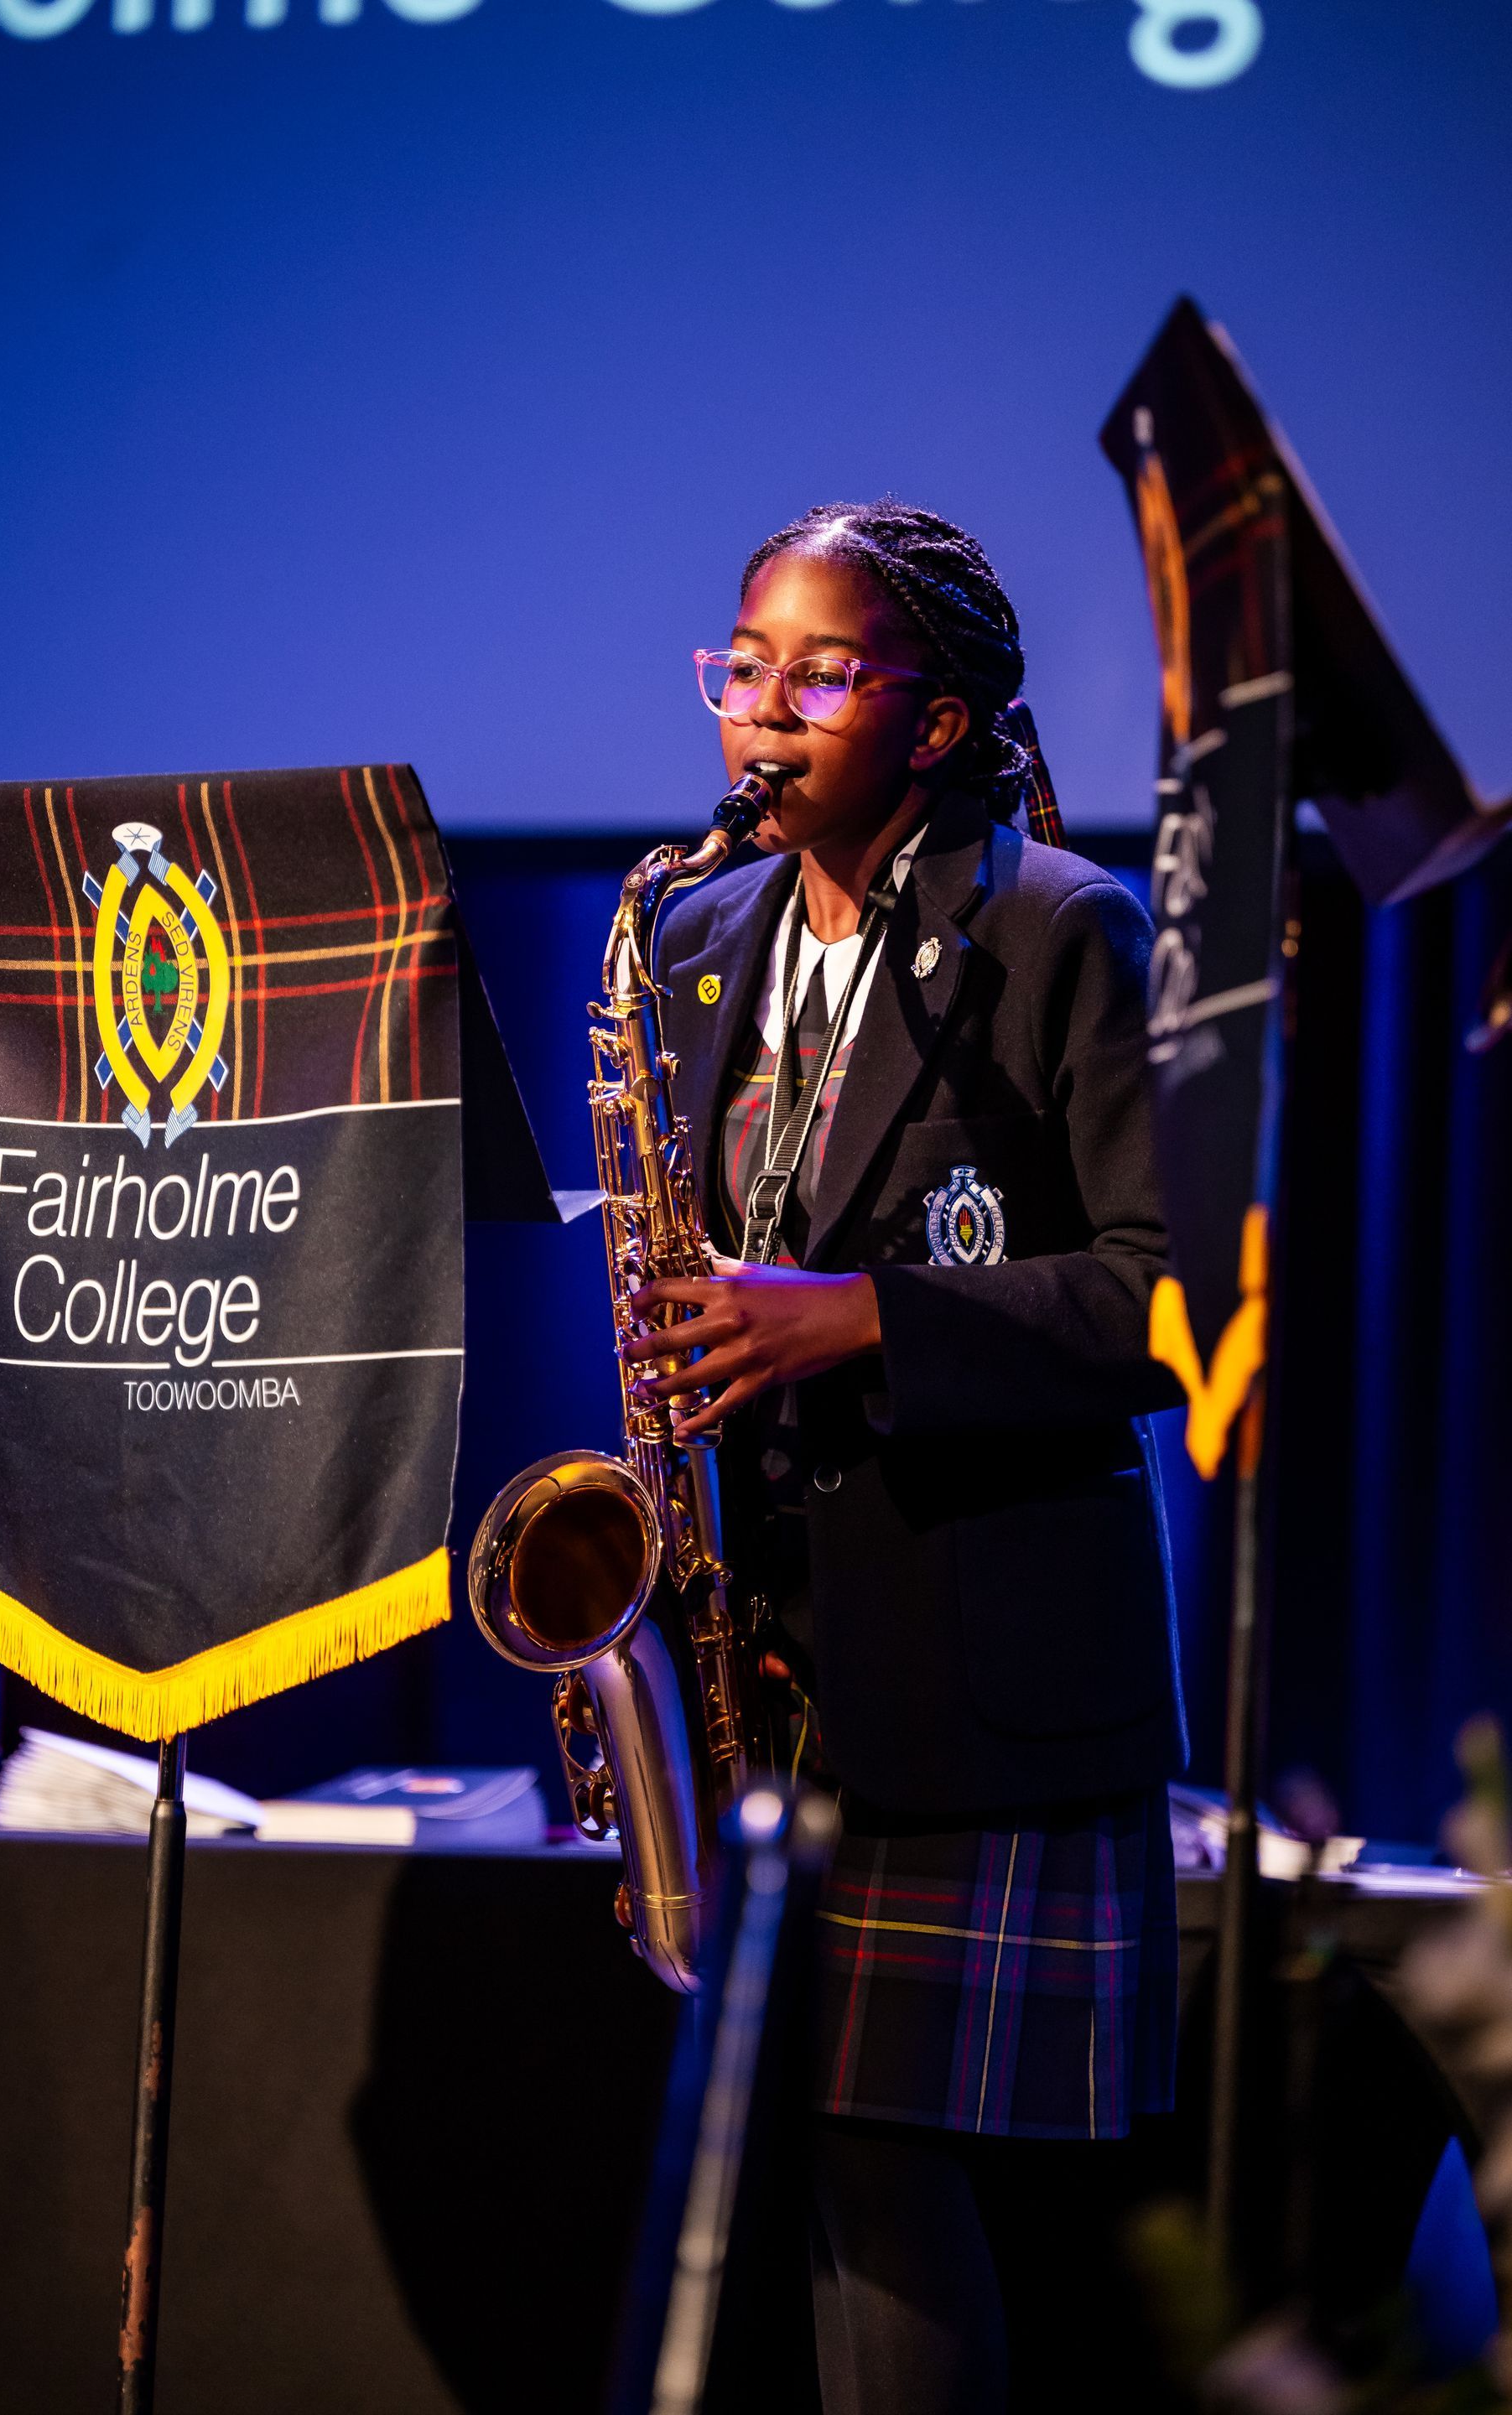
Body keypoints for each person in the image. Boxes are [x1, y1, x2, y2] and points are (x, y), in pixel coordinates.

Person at [621, 500, 1187, 2414]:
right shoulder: (696, 936)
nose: (758, 714)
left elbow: (1163, 1301)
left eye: (817, 674)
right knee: (810, 2193)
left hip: (976, 1674)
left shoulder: (1057, 930)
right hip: (768, 1675)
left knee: (895, 2199)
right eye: (742, 666)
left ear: (937, 724)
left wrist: (864, 1318)